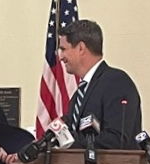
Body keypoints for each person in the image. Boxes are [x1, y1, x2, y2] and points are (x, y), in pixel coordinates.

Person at [58, 19, 142, 150]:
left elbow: (116, 140)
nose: (61, 57)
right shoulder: (78, 95)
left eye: (63, 49)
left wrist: (70, 141)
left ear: (81, 48)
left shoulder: (117, 82)